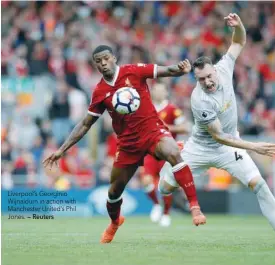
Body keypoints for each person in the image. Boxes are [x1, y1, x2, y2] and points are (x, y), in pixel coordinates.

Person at [157, 13, 275, 246]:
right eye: (201, 79)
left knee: (259, 185)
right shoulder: (199, 100)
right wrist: (253, 146)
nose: (206, 82)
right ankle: (173, 163)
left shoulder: (224, 67)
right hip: (202, 148)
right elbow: (219, 136)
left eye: (208, 76)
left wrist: (239, 26)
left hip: (228, 148)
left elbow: (238, 42)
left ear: (214, 70)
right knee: (164, 189)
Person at [43, 45, 206, 244]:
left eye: (105, 58)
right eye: (98, 61)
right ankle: (114, 222)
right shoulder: (100, 92)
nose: (103, 63)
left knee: (173, 152)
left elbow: (167, 70)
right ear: (96, 65)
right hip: (128, 144)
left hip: (152, 131)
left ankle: (195, 207)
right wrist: (61, 150)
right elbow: (85, 123)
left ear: (114, 58)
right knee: (113, 192)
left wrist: (180, 68)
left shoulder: (134, 71)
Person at [141, 82, 190, 227]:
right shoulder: (146, 108)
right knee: (146, 182)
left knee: (165, 186)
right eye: (156, 90)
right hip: (150, 152)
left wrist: (169, 127)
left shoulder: (172, 109)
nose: (158, 93)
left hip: (167, 153)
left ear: (166, 93)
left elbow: (185, 127)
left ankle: (166, 214)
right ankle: (156, 205)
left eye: (161, 90)